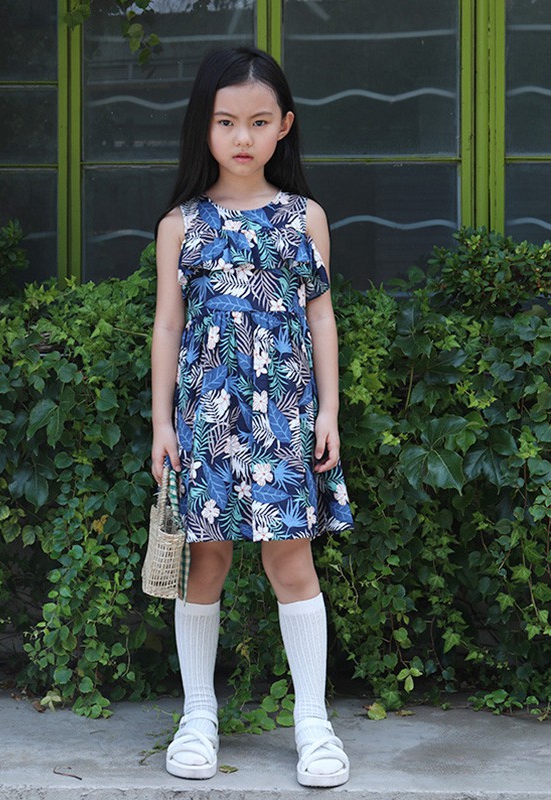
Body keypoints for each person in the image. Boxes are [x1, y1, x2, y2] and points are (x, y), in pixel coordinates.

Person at [151, 46, 354, 788]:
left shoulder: (305, 218)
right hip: (205, 421)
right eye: (226, 121)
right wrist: (161, 424)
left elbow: (321, 317)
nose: (243, 137)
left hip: (286, 418)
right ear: (203, 127)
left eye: (259, 121)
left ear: (284, 126)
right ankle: (197, 716)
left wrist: (330, 410)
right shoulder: (182, 225)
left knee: (291, 560)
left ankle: (314, 724)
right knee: (204, 560)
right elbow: (167, 326)